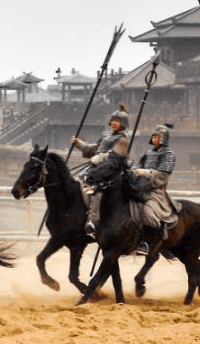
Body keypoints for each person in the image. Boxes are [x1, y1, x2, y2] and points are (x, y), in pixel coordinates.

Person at [70, 104, 131, 240]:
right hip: (99, 168)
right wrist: (78, 144)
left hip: (112, 170)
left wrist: (101, 157)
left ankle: (93, 221)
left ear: (123, 124)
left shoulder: (123, 139)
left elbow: (116, 156)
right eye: (113, 120)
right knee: (78, 182)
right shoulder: (108, 136)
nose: (114, 123)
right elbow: (93, 149)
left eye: (118, 121)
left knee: (96, 189)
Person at [131, 123, 178, 253]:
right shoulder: (148, 153)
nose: (154, 139)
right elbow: (138, 166)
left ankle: (146, 243)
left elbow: (162, 176)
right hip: (140, 188)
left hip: (155, 191)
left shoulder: (168, 154)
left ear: (164, 139)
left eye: (157, 137)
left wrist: (144, 173)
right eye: (153, 137)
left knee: (147, 213)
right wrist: (133, 170)